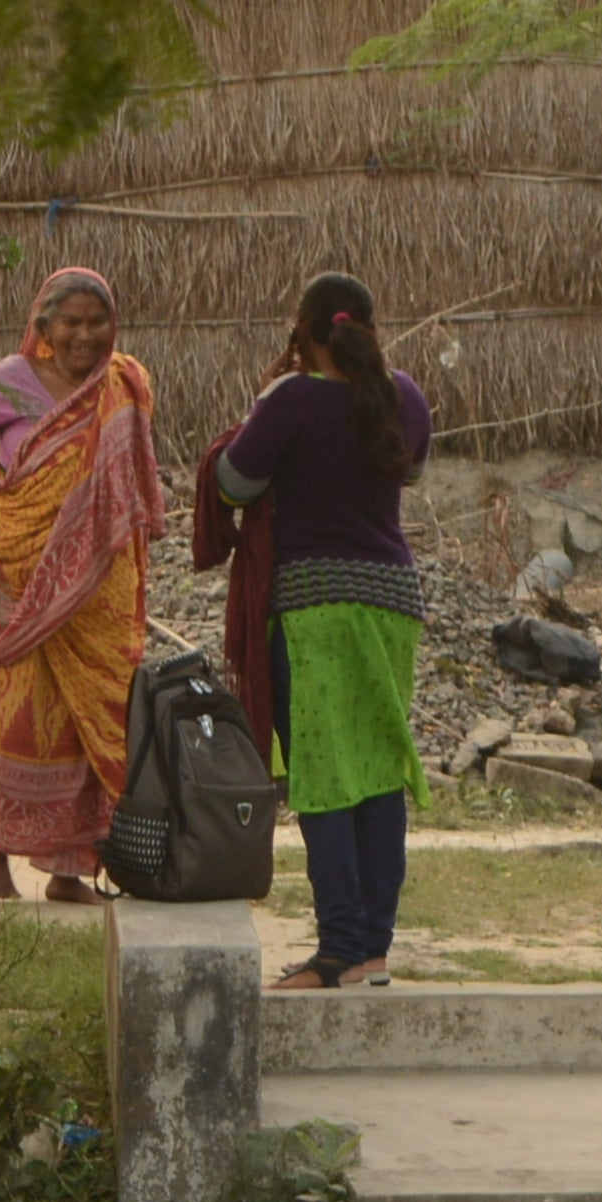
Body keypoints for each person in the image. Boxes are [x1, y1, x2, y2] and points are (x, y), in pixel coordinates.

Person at [213, 272, 431, 988]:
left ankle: (335, 950)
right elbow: (408, 473)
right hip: (392, 602)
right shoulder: (406, 397)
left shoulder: (292, 399)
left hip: (312, 608)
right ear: (372, 326)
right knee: (376, 773)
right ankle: (372, 950)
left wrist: (256, 413)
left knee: (322, 777)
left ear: (301, 332)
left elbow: (234, 484)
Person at [0, 267, 162, 903]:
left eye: (98, 322)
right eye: (72, 323)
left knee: (89, 713)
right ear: (43, 328)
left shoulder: (124, 385)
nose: (86, 336)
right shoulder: (9, 381)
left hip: (97, 588)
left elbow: (132, 488)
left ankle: (69, 871)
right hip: (17, 574)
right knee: (13, 710)